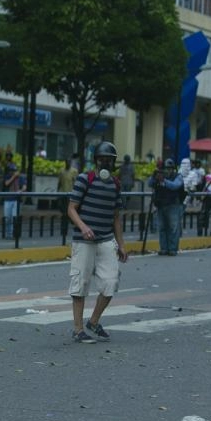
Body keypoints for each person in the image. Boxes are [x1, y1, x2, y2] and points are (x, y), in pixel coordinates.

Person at [66, 140, 129, 343]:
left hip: (105, 239)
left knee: (111, 282)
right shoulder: (85, 179)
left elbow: (116, 217)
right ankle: (78, 329)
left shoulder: (116, 184)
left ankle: (93, 321)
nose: (105, 163)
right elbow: (71, 208)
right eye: (102, 159)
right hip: (83, 241)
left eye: (109, 160)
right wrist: (83, 227)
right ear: (96, 161)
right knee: (80, 283)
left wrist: (121, 244)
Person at [147, 158, 184, 256]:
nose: (168, 170)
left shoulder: (178, 176)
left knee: (173, 228)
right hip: (161, 204)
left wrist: (164, 180)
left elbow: (175, 186)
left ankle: (172, 249)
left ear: (173, 169)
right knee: (162, 228)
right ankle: (164, 248)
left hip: (173, 205)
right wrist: (153, 175)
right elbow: (149, 184)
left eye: (170, 168)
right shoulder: (158, 176)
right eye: (166, 168)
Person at [1, 153, 25, 239]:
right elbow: (6, 183)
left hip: (16, 200)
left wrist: (20, 191)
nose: (13, 172)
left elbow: (24, 187)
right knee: (7, 218)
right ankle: (8, 234)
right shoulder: (7, 176)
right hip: (8, 199)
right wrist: (13, 177)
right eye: (11, 170)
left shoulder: (20, 177)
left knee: (15, 217)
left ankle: (14, 234)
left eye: (14, 170)